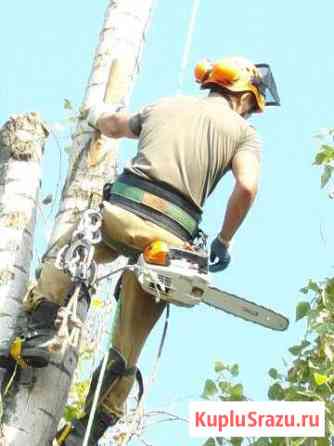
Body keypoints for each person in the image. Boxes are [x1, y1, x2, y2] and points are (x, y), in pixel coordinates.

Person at [17, 56, 282, 444]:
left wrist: (93, 114)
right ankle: (87, 429)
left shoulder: (165, 104)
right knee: (129, 342)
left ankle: (38, 327)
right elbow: (247, 186)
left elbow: (113, 124)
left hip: (119, 217)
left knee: (67, 253)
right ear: (243, 97)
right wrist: (224, 240)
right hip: (167, 243)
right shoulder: (243, 134)